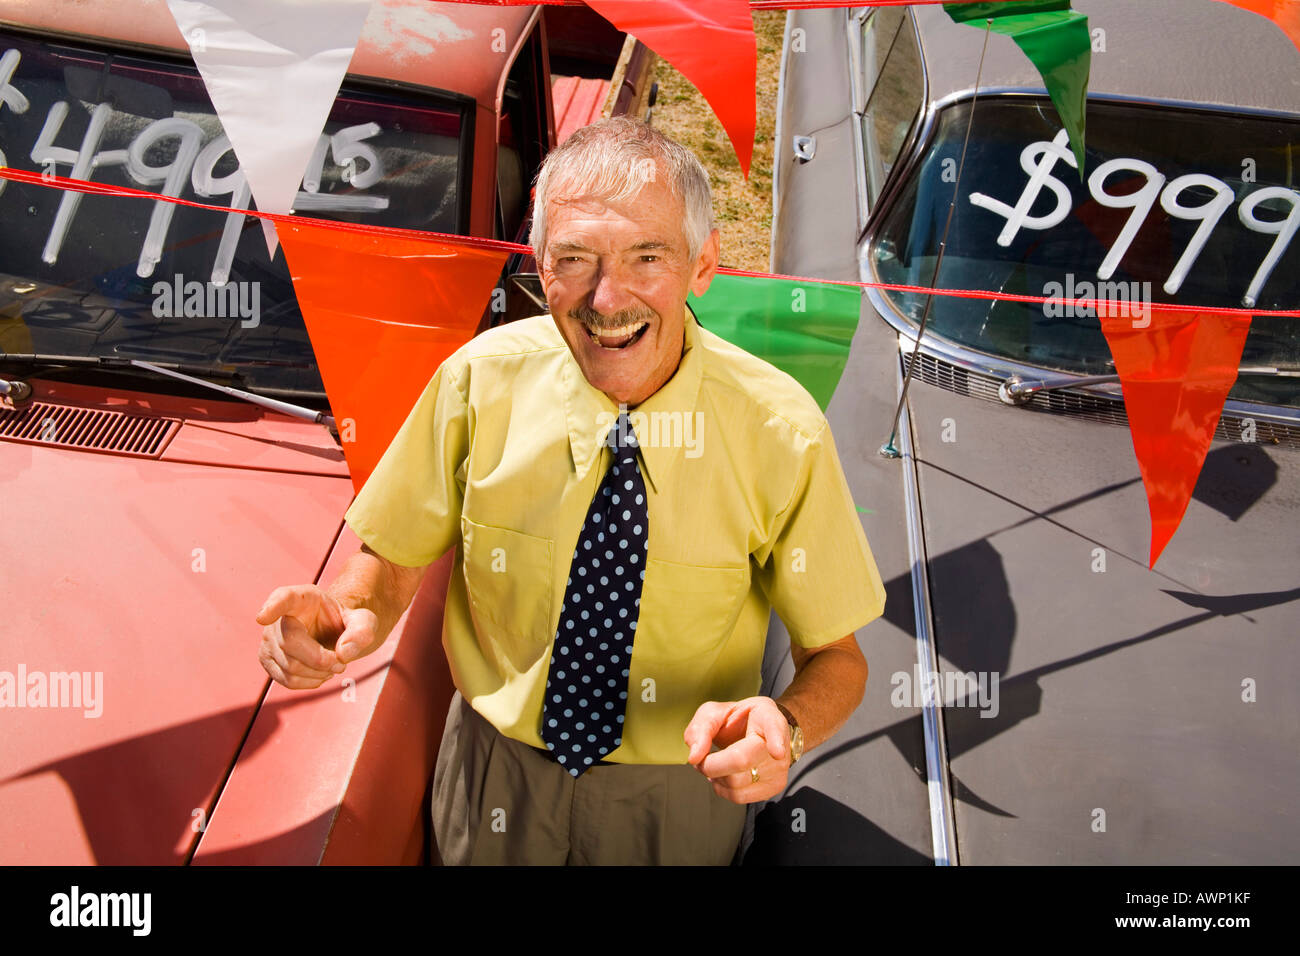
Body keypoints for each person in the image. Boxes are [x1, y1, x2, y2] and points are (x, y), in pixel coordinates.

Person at [255, 118, 886, 865]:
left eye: (647, 257)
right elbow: (392, 560)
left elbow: (837, 658)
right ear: (539, 263)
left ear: (704, 263)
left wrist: (787, 724)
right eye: (575, 259)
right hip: (492, 783)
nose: (606, 298)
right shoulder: (476, 383)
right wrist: (347, 610)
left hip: (677, 805)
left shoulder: (782, 431)